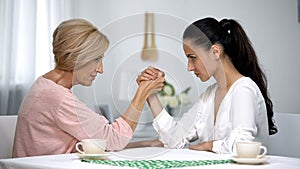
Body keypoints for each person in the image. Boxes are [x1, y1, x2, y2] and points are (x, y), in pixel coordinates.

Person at [13, 18, 164, 157]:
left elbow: (100, 144)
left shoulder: (44, 86)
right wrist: (143, 92)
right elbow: (114, 139)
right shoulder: (57, 98)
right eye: (96, 59)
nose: (100, 69)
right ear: (78, 57)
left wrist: (147, 143)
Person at [136, 17, 277, 154]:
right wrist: (149, 93)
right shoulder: (209, 95)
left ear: (215, 52)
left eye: (193, 58)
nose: (189, 67)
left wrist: (210, 145)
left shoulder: (243, 90)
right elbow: (174, 139)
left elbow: (243, 146)